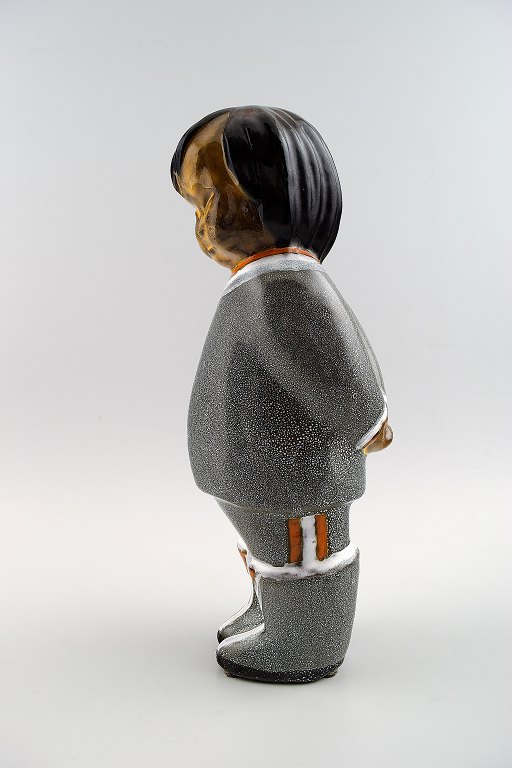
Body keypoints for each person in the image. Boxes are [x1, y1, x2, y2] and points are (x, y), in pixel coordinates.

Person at [171, 106, 392, 683]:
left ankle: (308, 641)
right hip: (255, 474)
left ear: (272, 199)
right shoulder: (259, 283)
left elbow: (336, 364)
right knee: (269, 549)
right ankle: (273, 614)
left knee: (305, 554)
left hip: (297, 477)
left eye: (214, 200)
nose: (204, 222)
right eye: (197, 206)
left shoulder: (287, 287)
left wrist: (367, 422)